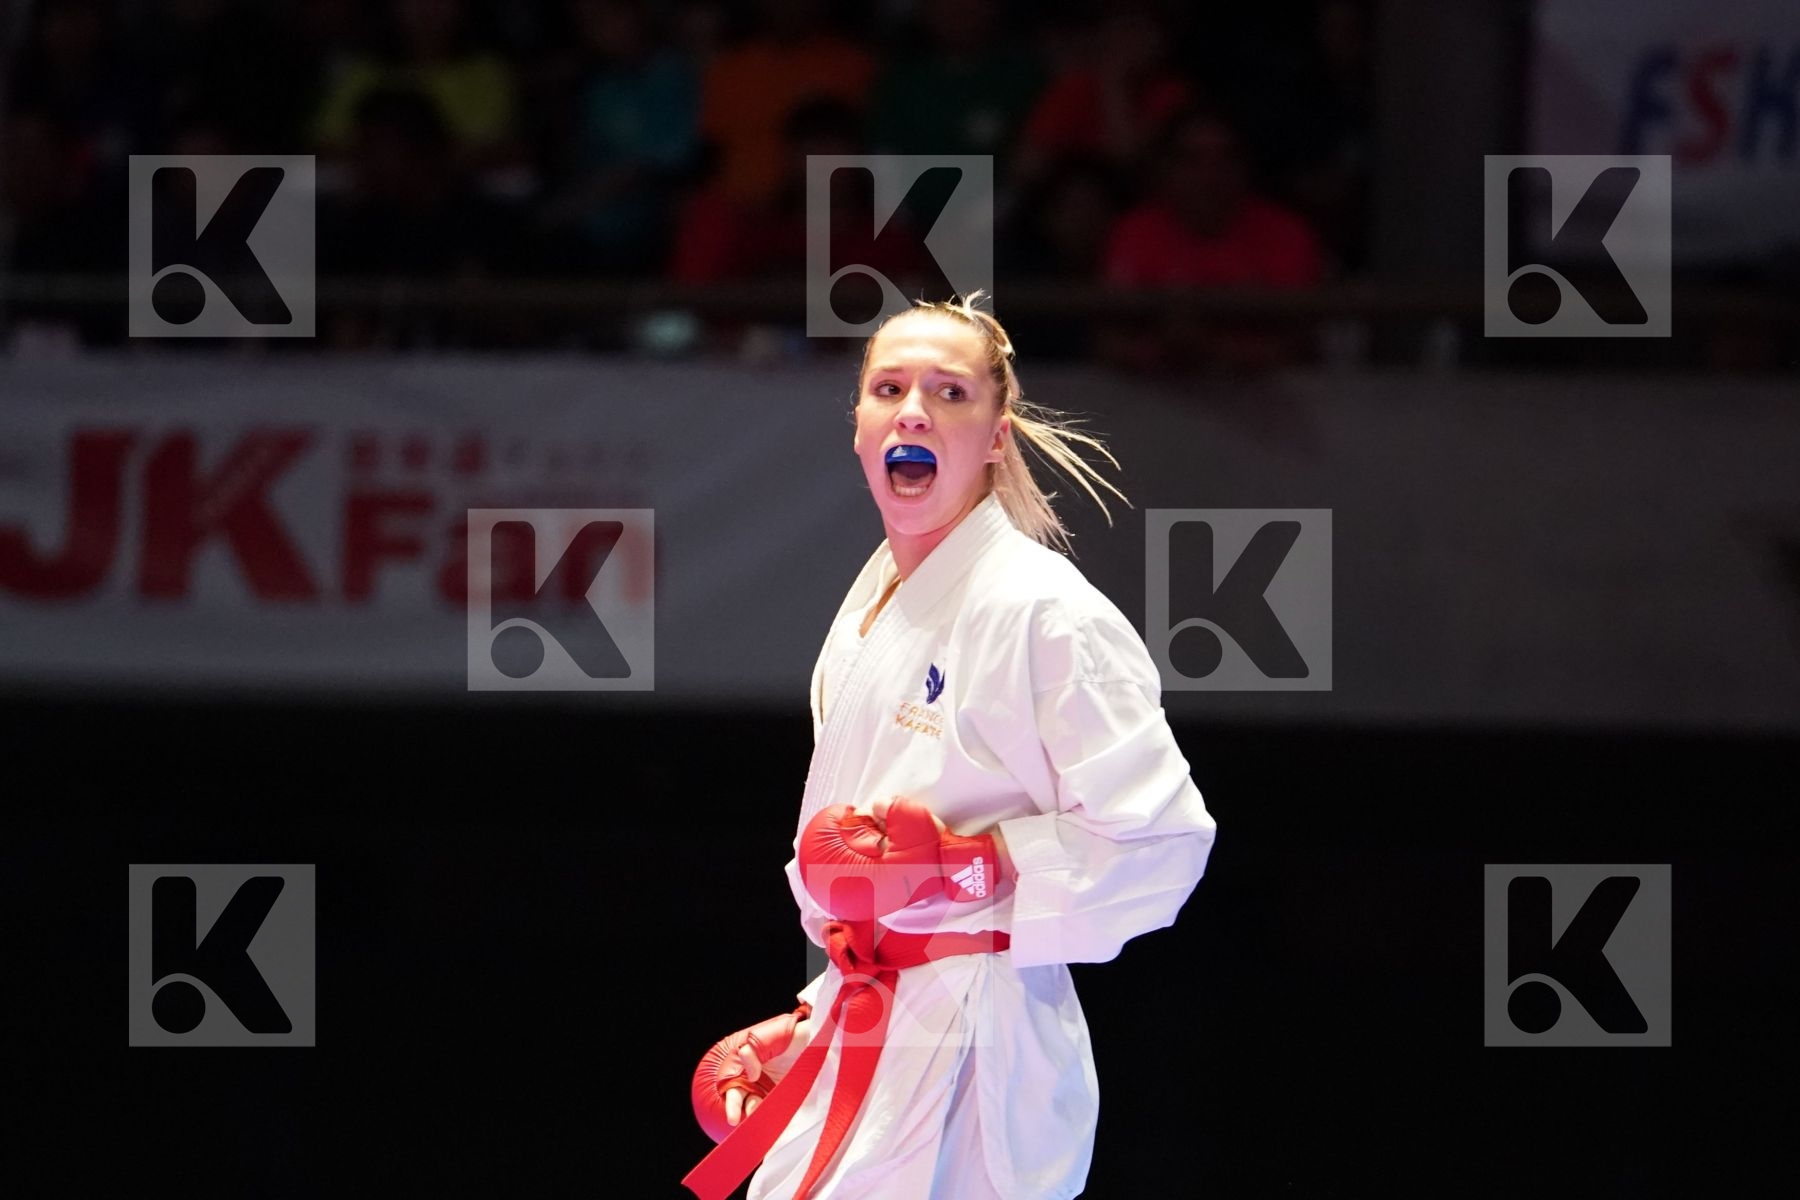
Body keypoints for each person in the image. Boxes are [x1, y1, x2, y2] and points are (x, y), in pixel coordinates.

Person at [683, 295, 1218, 1199]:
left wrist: (969, 867)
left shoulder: (1044, 611)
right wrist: (817, 1024)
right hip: (879, 1016)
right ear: (858, 428)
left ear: (997, 436)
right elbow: (857, 873)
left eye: (951, 392)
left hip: (982, 1045)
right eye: (888, 388)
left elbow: (1163, 842)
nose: (915, 410)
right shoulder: (872, 602)